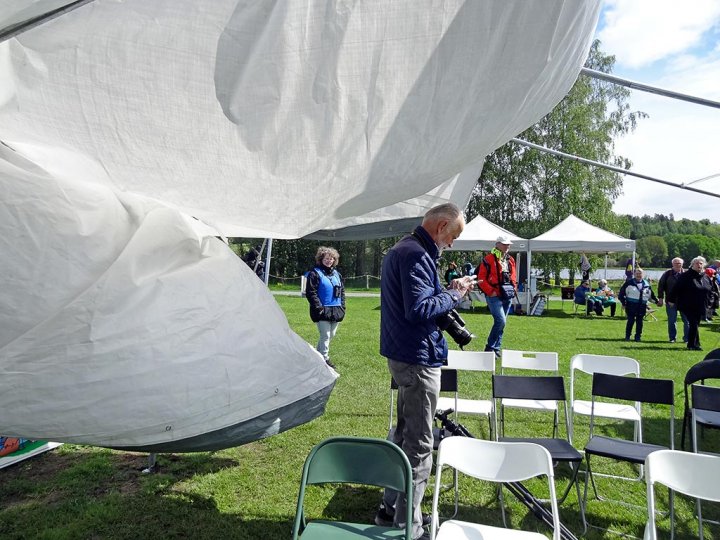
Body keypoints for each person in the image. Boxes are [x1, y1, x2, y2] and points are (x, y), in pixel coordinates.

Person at [377, 203, 474, 540]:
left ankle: (390, 507)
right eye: (453, 236)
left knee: (403, 436)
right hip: (417, 359)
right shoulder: (417, 255)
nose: (452, 243)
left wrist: (447, 290)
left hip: (403, 355)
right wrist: (455, 293)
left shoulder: (403, 249)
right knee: (419, 445)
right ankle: (409, 527)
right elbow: (418, 308)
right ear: (441, 225)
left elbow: (417, 301)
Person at [305, 246, 345, 369]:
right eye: (327, 258)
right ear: (321, 259)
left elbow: (342, 292)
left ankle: (316, 356)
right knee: (325, 335)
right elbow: (311, 292)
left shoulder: (337, 274)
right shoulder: (314, 273)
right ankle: (325, 360)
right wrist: (319, 308)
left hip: (336, 310)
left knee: (330, 335)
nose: (329, 261)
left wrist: (343, 306)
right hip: (322, 310)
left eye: (332, 258)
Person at [477, 235, 517, 357]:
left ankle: (496, 349)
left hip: (507, 294)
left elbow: (513, 276)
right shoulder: (488, 259)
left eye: (508, 244)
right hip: (494, 295)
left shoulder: (510, 260)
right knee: (501, 321)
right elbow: (481, 278)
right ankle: (490, 347)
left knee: (502, 323)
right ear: (497, 244)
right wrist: (490, 291)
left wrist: (514, 287)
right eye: (505, 244)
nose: (508, 246)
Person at [669, 256, 713, 351]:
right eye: (697, 263)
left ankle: (693, 344)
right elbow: (676, 288)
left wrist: (710, 303)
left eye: (701, 263)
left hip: (701, 305)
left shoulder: (705, 277)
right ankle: (693, 344)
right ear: (692, 265)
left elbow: (710, 291)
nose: (699, 265)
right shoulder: (686, 276)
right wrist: (671, 300)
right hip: (687, 305)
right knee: (693, 324)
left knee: (695, 324)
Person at [618, 267, 658, 342]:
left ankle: (638, 337)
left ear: (643, 275)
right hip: (631, 305)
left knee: (640, 322)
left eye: (640, 273)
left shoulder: (647, 284)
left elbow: (651, 296)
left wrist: (657, 302)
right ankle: (627, 336)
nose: (638, 275)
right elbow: (621, 294)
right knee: (630, 321)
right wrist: (623, 303)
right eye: (637, 273)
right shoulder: (629, 283)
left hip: (642, 306)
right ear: (634, 274)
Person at [656, 257, 689, 343]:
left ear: (682, 264)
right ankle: (672, 338)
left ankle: (687, 339)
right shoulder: (667, 274)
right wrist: (660, 298)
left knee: (687, 321)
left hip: (685, 302)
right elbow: (661, 286)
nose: (678, 265)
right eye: (676, 263)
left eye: (679, 263)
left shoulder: (687, 274)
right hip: (670, 301)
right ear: (672, 264)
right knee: (672, 320)